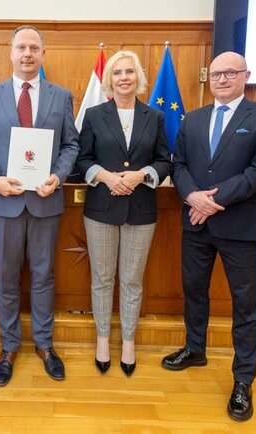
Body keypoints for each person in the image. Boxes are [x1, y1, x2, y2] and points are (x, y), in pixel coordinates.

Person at [162, 51, 256, 421]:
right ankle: (195, 348)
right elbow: (179, 165)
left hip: (240, 227)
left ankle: (243, 380)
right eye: (216, 74)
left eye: (231, 72)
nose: (222, 79)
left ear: (246, 75)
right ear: (208, 79)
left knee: (245, 305)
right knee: (194, 291)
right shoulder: (194, 119)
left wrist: (211, 201)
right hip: (196, 224)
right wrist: (191, 196)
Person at [0, 25, 79, 386]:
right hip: (5, 202)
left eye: (34, 47)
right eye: (22, 47)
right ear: (11, 52)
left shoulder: (61, 96)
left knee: (44, 275)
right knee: (6, 277)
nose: (28, 53)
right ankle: (8, 347)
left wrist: (58, 177)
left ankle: (45, 345)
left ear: (43, 53)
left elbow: (71, 145)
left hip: (46, 201)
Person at [76, 50, 172, 377]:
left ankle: (128, 342)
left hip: (141, 209)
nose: (124, 78)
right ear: (109, 79)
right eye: (117, 73)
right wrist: (106, 177)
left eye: (129, 72)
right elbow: (82, 159)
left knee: (132, 280)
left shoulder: (154, 116)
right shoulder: (94, 115)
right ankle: (103, 339)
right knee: (102, 279)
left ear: (138, 77)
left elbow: (164, 161)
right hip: (101, 208)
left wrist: (141, 175)